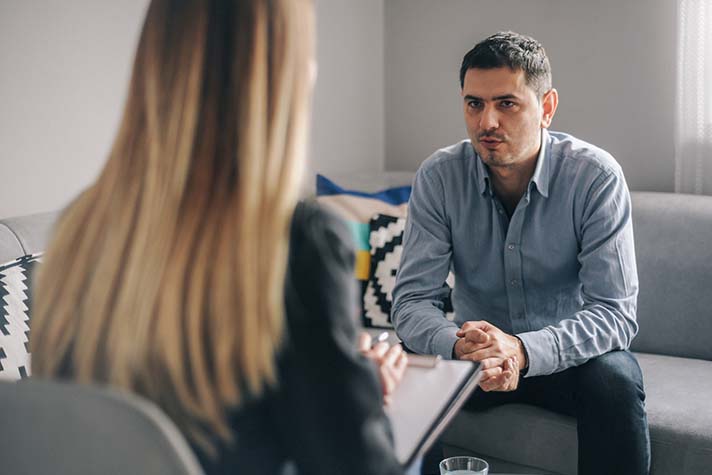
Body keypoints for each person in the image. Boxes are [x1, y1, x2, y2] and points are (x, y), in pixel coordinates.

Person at [29, 1, 409, 474]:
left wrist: (345, 385)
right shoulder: (298, 244)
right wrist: (366, 398)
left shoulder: (78, 230)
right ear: (287, 75)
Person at [392, 31, 650, 475]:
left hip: (562, 360)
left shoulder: (595, 177)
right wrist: (459, 345)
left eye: (506, 103)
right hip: (471, 357)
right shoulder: (439, 176)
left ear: (546, 108)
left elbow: (615, 313)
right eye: (474, 104)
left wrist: (521, 350)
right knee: (395, 372)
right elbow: (413, 302)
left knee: (616, 378)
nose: (486, 121)